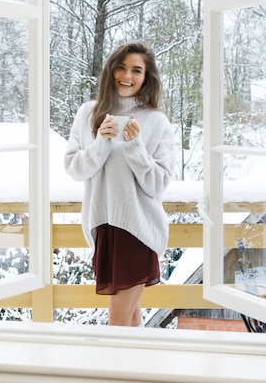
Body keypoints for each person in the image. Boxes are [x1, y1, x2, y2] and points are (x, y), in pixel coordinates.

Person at [63, 42, 176, 327]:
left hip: (138, 230)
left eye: (136, 70)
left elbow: (158, 183)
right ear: (111, 70)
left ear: (146, 76)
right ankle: (138, 370)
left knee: (118, 315)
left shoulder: (157, 122)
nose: (127, 75)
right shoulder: (89, 113)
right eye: (121, 67)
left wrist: (135, 147)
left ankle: (111, 370)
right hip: (104, 226)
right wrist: (101, 142)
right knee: (130, 314)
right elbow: (75, 169)